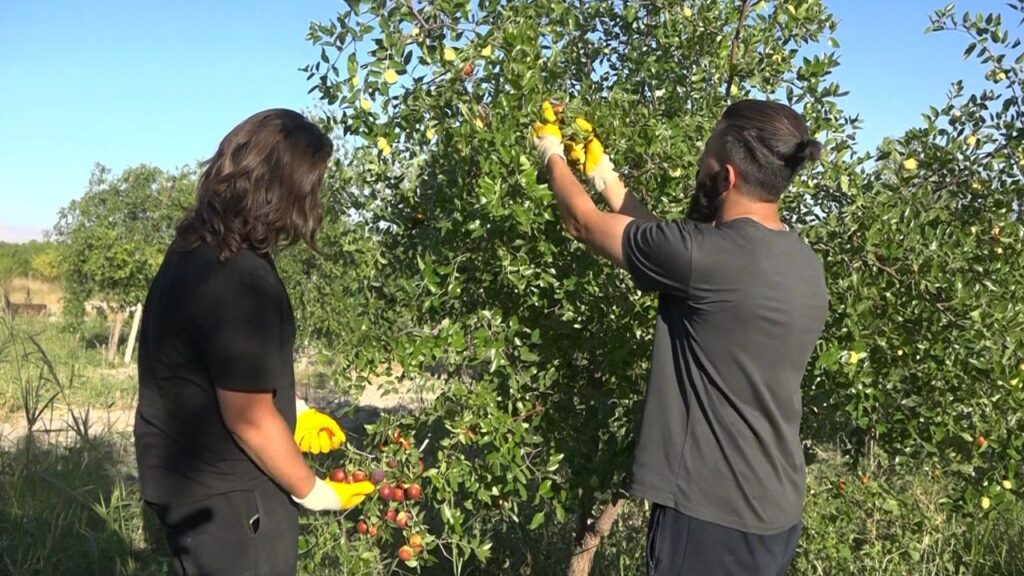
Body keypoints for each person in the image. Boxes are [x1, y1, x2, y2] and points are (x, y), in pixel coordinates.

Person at [532, 99, 828, 575]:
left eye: (706, 153)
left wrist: (549, 150)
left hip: (711, 515)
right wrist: (604, 174)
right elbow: (665, 247)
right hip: (774, 507)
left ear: (726, 177)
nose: (699, 162)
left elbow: (582, 224)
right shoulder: (801, 261)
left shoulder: (705, 257)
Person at [134, 108, 375, 576]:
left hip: (187, 483)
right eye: (312, 187)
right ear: (285, 190)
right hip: (234, 500)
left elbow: (212, 367)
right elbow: (248, 418)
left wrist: (295, 410)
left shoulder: (195, 249)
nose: (315, 200)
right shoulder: (242, 280)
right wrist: (313, 490)